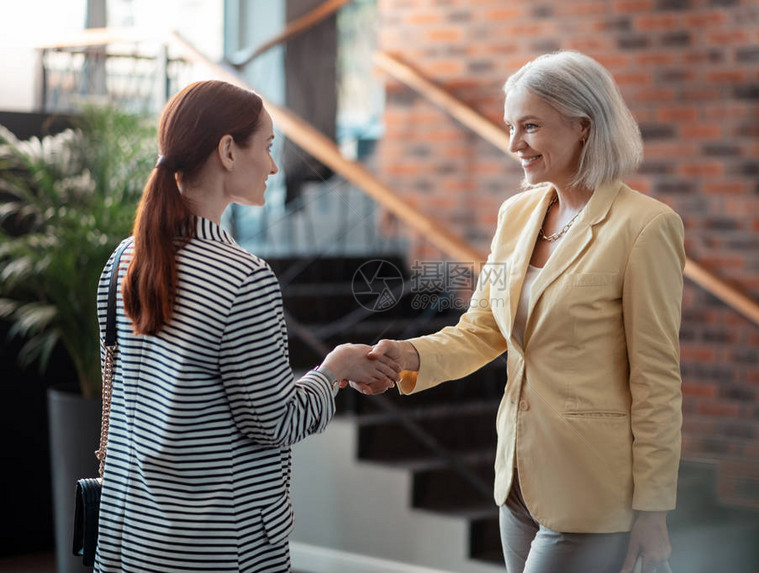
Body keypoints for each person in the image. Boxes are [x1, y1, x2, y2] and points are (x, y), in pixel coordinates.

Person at [363, 51, 684, 573]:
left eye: (530, 126)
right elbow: (483, 328)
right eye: (511, 127)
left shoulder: (646, 227)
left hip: (592, 489)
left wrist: (653, 509)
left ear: (583, 126)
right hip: (517, 482)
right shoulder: (516, 214)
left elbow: (657, 380)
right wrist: (406, 355)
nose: (514, 145)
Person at [94, 80, 401, 572]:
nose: (275, 167)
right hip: (217, 544)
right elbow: (274, 423)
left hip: (131, 537)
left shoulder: (122, 261)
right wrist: (334, 369)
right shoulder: (243, 279)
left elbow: (125, 403)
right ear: (228, 152)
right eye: (269, 147)